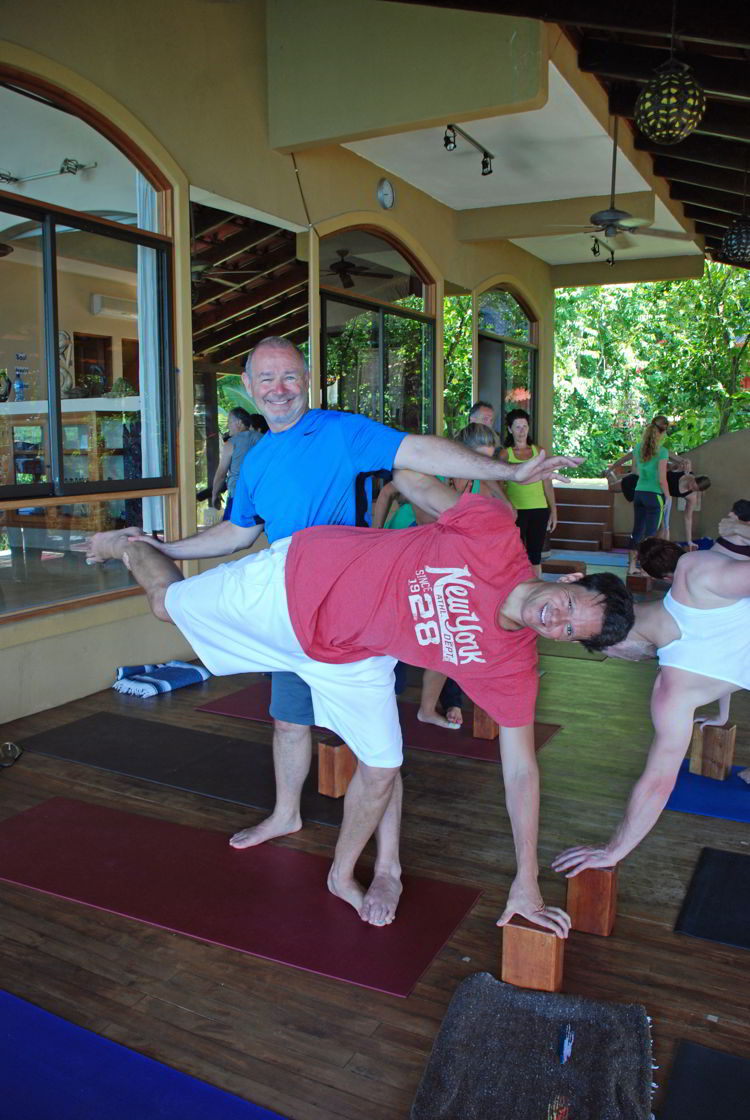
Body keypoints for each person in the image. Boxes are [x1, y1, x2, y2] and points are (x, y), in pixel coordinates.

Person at [90, 335, 583, 927]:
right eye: (266, 379)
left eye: (290, 377)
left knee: (379, 754)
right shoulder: (255, 460)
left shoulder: (339, 430)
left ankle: (389, 864)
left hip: (353, 610)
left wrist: (508, 469)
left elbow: (418, 453)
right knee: (287, 720)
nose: (278, 389)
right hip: (281, 607)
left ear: (308, 380)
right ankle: (285, 813)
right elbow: (237, 532)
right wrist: (164, 546)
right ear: (248, 387)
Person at [86, 477, 633, 938]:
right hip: (295, 585)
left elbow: (521, 772)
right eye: (567, 606)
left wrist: (527, 882)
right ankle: (128, 545)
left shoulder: (510, 665)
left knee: (382, 763)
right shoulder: (495, 532)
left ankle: (342, 874)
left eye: (566, 631)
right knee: (164, 606)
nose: (552, 620)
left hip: (352, 654)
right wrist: (486, 467)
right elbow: (412, 471)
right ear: (572, 578)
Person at [553, 510, 750, 879]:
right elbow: (732, 657)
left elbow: (659, 780)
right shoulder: (694, 577)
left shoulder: (675, 688)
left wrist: (614, 850)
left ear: (614, 649)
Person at [373, 422, 508, 729]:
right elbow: (390, 496)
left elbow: (506, 516)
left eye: (487, 459)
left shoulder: (481, 484)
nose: (481, 466)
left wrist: (494, 477)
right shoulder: (433, 471)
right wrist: (376, 534)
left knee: (450, 635)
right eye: (478, 459)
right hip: (405, 550)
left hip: (441, 558)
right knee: (398, 633)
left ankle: (430, 707)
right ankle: (387, 701)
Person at [497, 409, 557, 577]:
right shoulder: (505, 454)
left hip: (539, 508)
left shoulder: (539, 451)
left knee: (535, 555)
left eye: (524, 426)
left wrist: (553, 509)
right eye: (517, 427)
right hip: (516, 510)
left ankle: (537, 589)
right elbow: (498, 485)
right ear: (510, 429)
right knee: (514, 553)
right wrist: (506, 505)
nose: (522, 431)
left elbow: (547, 482)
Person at [626, 416, 670, 575]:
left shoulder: (638, 448)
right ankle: (645, 568)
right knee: (650, 535)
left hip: (639, 493)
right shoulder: (662, 451)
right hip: (654, 496)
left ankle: (631, 567)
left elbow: (635, 471)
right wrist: (668, 497)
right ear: (663, 431)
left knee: (636, 531)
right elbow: (662, 479)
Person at [211, 408, 267, 520]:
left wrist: (214, 495)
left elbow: (221, 473)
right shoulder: (263, 439)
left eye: (229, 422)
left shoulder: (231, 443)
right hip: (260, 497)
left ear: (239, 422)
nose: (228, 426)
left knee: (227, 532)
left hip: (238, 497)